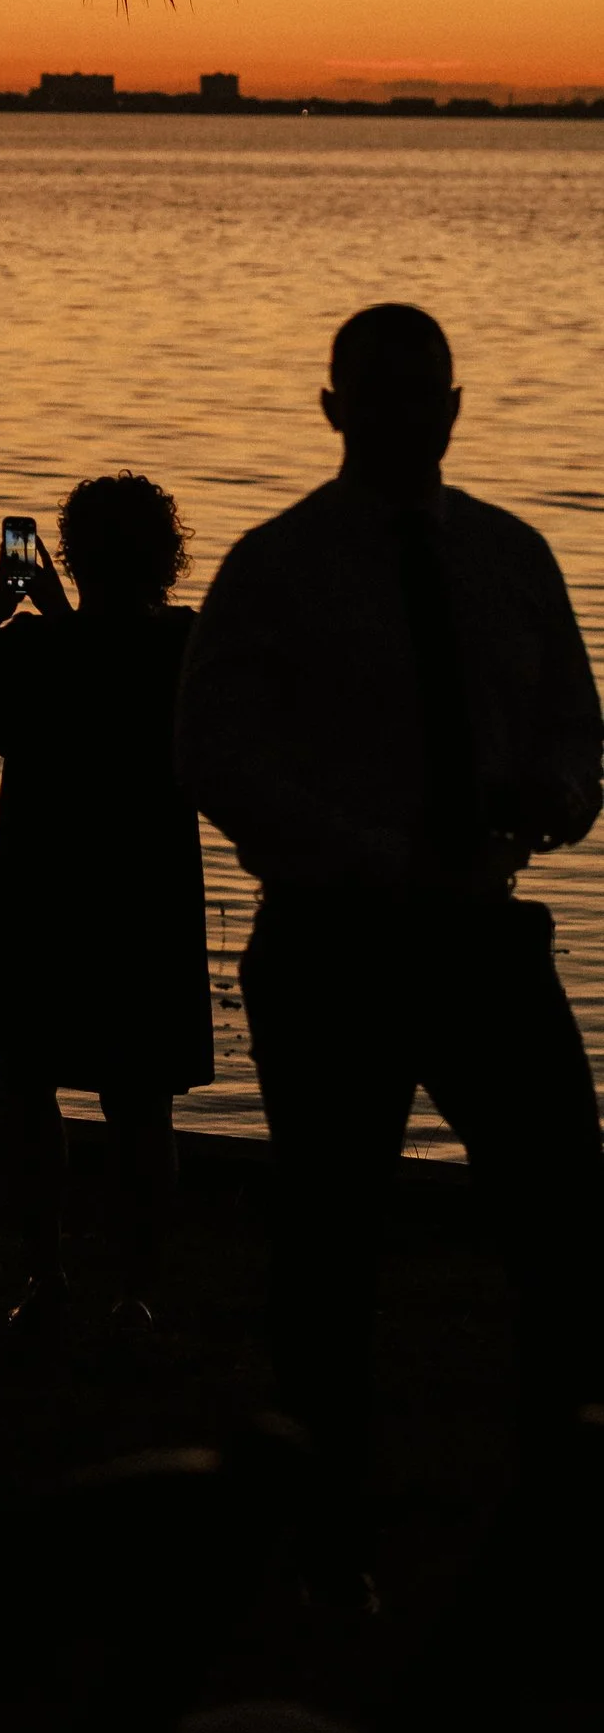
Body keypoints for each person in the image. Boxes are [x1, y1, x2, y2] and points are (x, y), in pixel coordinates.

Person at [176, 304, 604, 1583]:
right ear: (335, 406)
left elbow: (576, 726)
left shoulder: (511, 554)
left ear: (454, 405)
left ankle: (561, 1498)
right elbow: (210, 751)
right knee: (329, 1239)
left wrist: (554, 796)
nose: (409, 411)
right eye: (382, 389)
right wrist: (363, 849)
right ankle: (320, 1511)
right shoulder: (277, 564)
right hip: (333, 943)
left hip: (481, 927)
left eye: (425, 389)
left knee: (564, 1223)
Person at [0, 474, 212, 1340]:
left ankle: (45, 1273)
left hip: (44, 890)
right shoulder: (188, 647)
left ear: (70, 554)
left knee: (27, 1085)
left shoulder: (31, 652)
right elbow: (137, 672)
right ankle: (134, 1289)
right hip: (147, 898)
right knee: (143, 1104)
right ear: (167, 557)